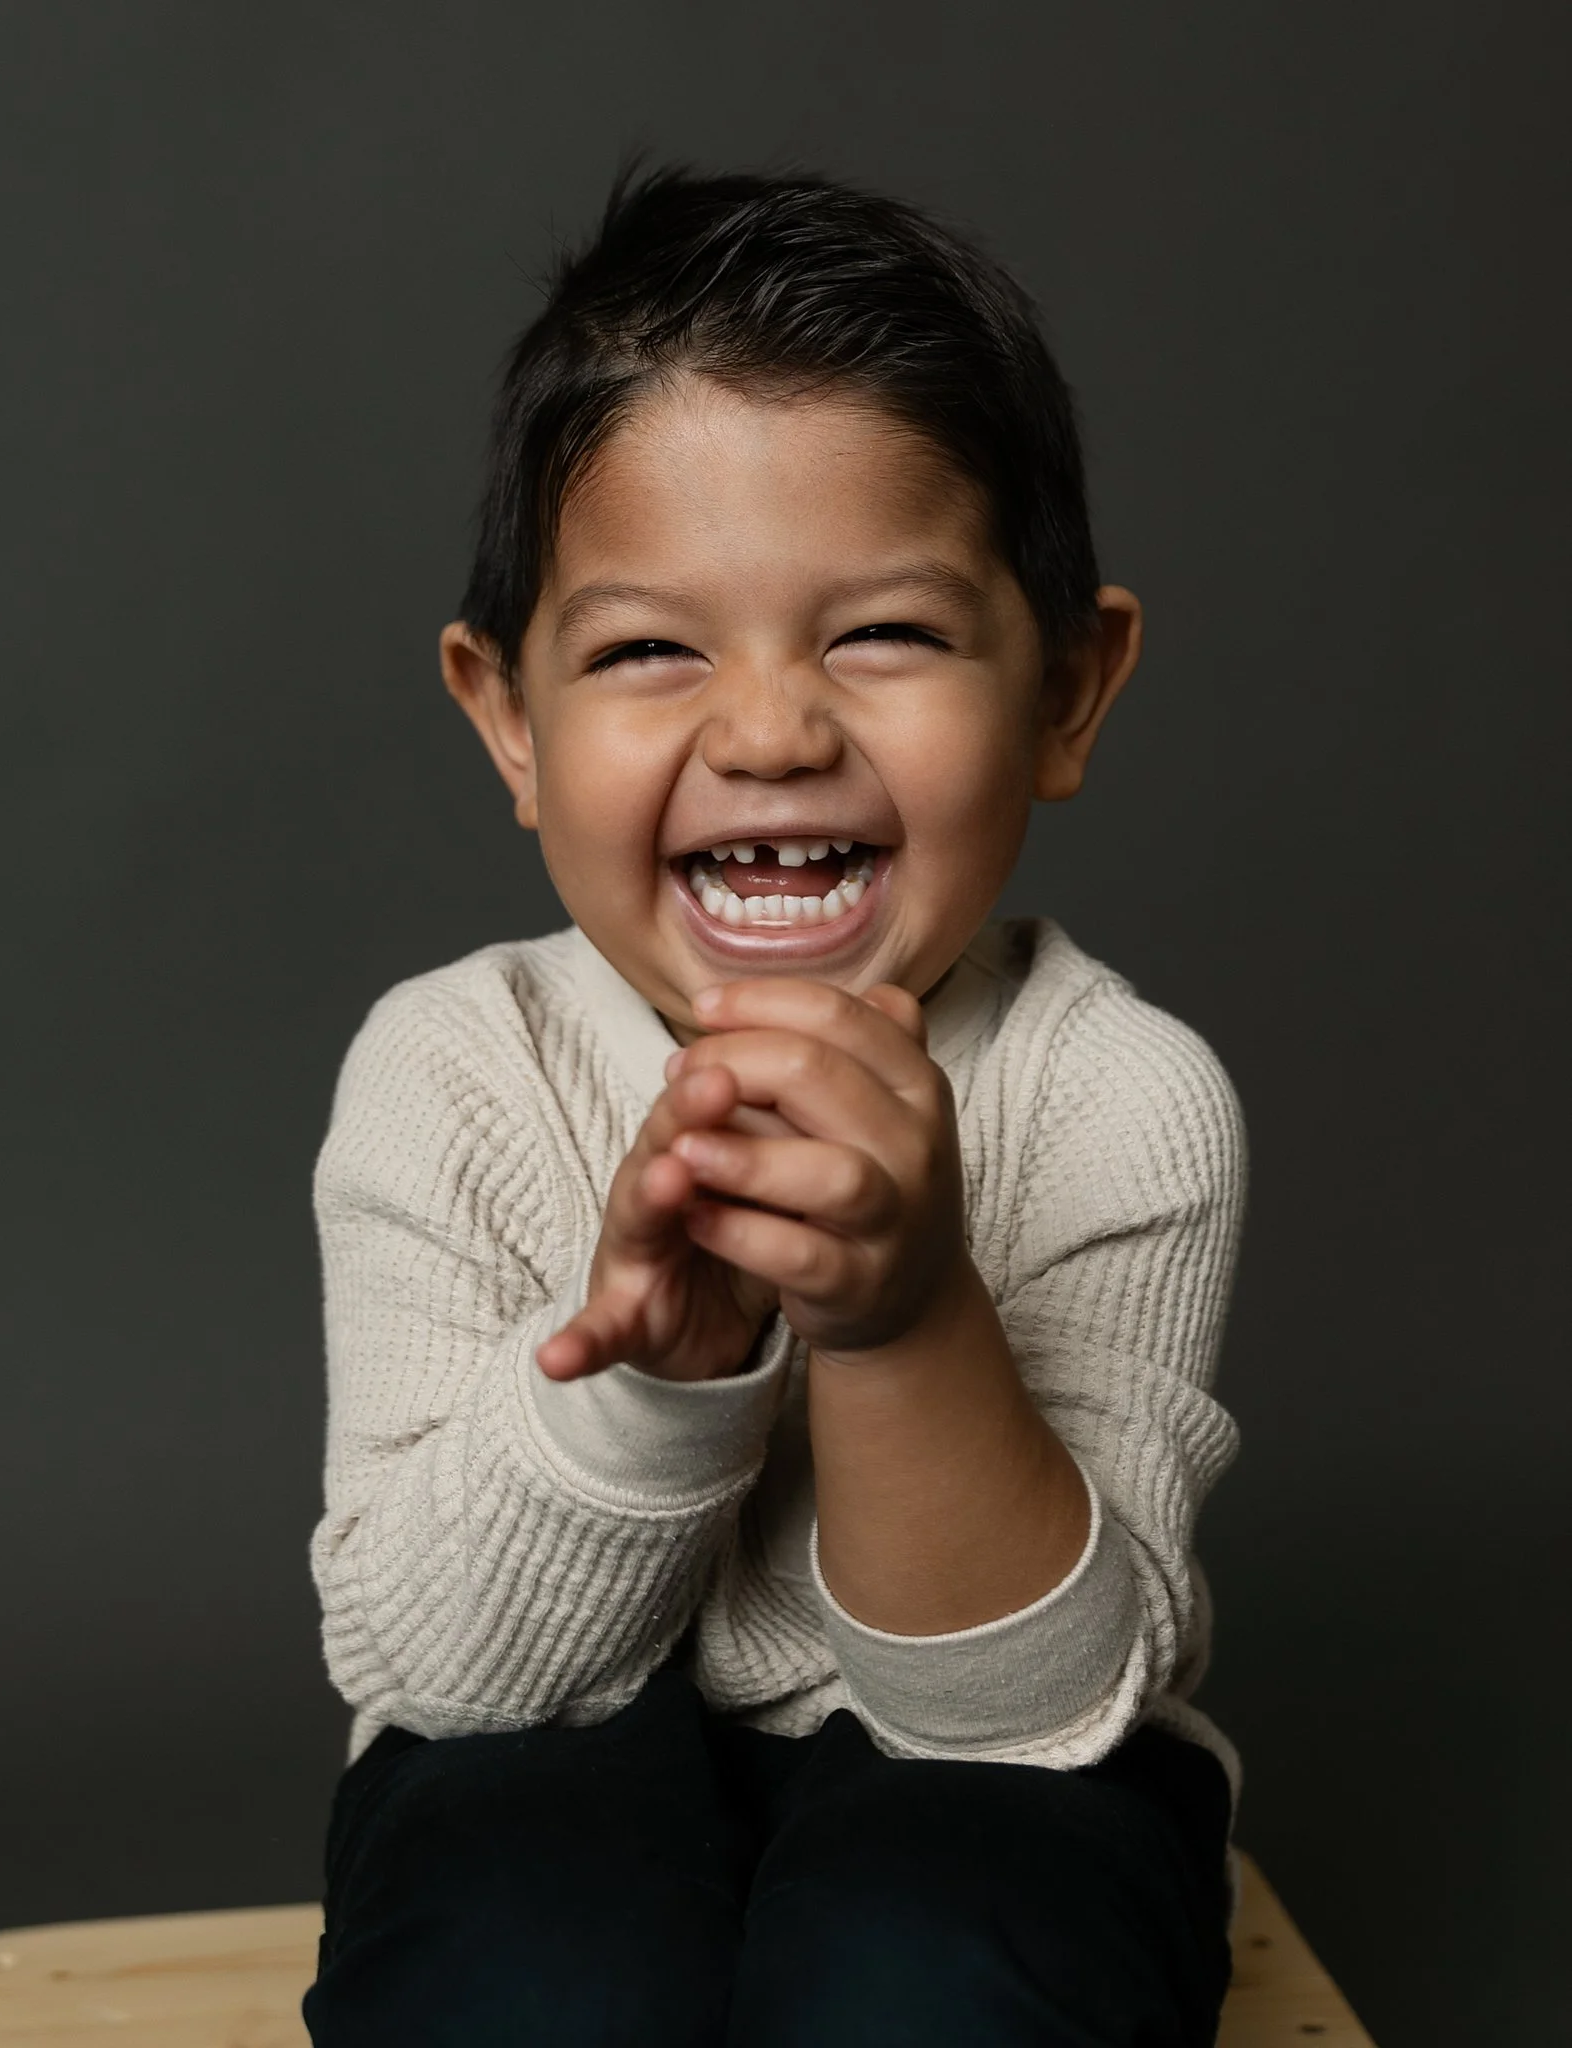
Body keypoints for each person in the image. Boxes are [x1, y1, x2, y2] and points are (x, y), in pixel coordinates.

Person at [301, 165, 1248, 2047]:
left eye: (880, 633)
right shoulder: (449, 1067)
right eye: (650, 649)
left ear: (1066, 688)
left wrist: (899, 1319)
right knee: (513, 1962)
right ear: (510, 719)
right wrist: (656, 1370)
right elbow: (436, 1670)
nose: (766, 731)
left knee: (940, 1968)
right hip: (542, 1726)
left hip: (1003, 1749)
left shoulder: (1118, 1097)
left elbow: (1021, 1718)